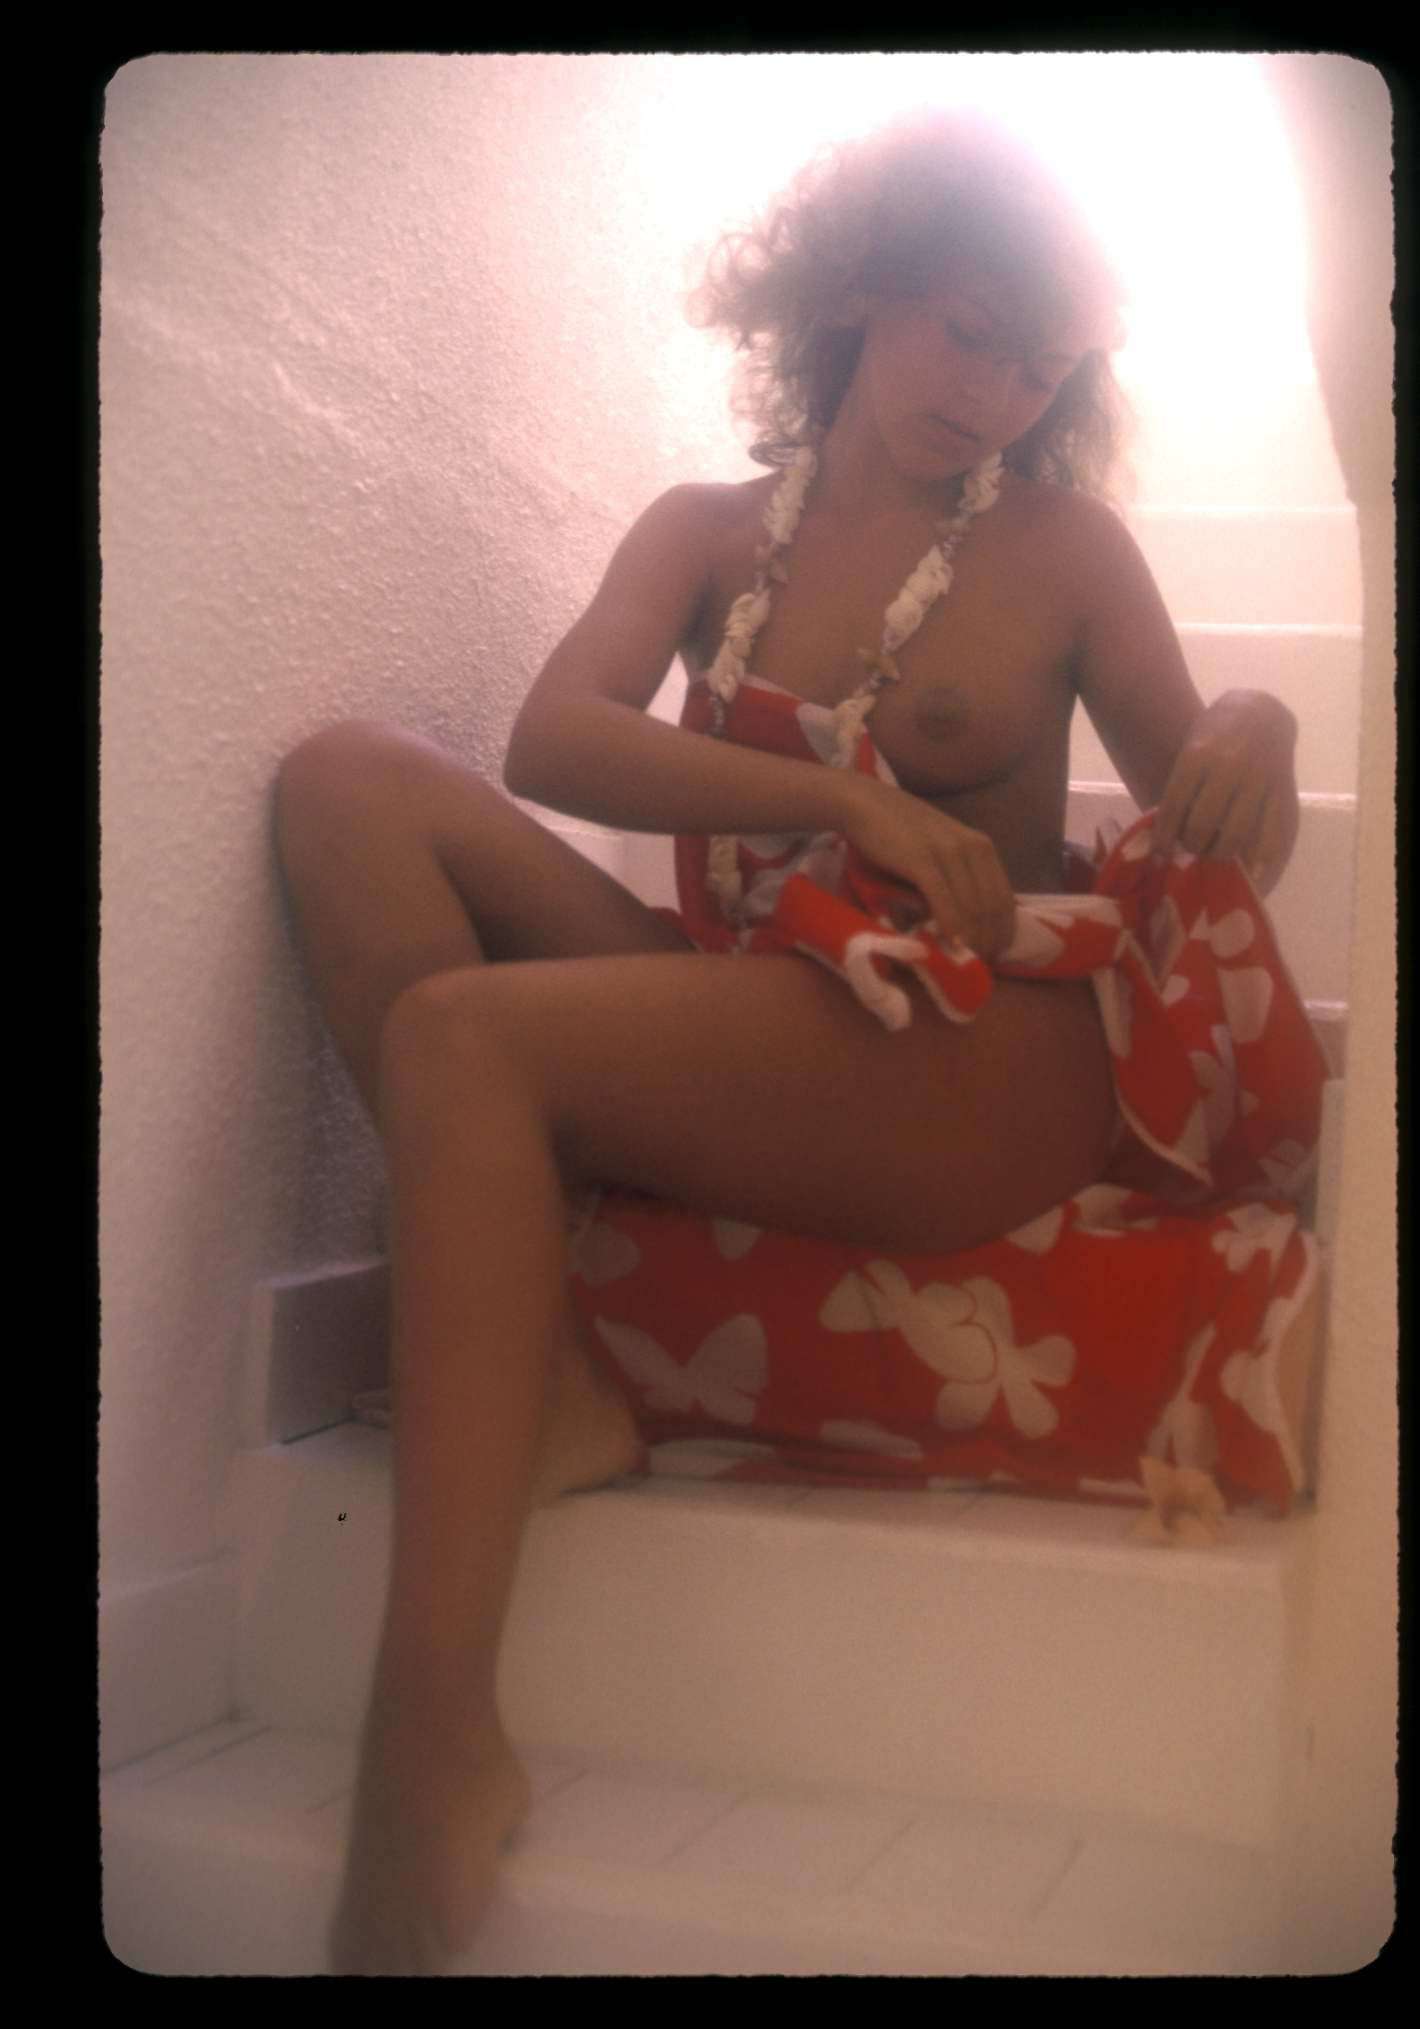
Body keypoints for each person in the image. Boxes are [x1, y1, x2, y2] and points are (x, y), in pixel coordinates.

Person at [274, 110, 1311, 1974]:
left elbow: (1223, 825)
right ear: (856, 290)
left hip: (975, 1051)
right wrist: (843, 800)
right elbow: (552, 739)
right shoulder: (702, 530)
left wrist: (1261, 725)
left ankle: (430, 1734)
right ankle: (557, 1371)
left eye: (1043, 365)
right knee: (347, 787)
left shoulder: (1065, 548)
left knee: (461, 1042)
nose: (997, 395)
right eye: (969, 333)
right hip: (760, 986)